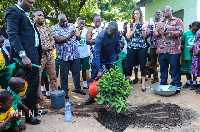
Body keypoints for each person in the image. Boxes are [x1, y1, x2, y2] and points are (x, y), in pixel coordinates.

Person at [5, 0, 42, 124]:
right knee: (31, 84)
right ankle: (28, 116)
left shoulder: (24, 14)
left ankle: (33, 110)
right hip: (25, 57)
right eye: (30, 2)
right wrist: (23, 55)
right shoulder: (13, 11)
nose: (32, 5)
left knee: (34, 84)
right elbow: (12, 34)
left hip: (33, 54)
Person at [84, 21, 120, 105]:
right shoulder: (100, 37)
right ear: (107, 29)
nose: (113, 35)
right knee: (94, 77)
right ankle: (91, 97)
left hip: (110, 57)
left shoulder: (117, 33)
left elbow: (117, 43)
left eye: (115, 33)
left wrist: (117, 53)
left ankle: (112, 97)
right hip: (99, 58)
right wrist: (99, 70)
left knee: (113, 76)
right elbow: (96, 54)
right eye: (112, 32)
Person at [51, 13, 86, 99]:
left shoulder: (71, 25)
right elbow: (58, 40)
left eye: (65, 21)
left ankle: (78, 88)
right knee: (64, 74)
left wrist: (78, 36)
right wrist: (70, 35)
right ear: (58, 21)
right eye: (62, 22)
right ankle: (65, 91)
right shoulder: (54, 28)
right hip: (63, 55)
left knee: (77, 72)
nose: (64, 23)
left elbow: (78, 38)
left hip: (74, 54)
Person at [32, 9, 58, 105]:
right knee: (38, 79)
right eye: (39, 15)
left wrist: (50, 46)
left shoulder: (47, 27)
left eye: (43, 15)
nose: (42, 17)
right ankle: (40, 100)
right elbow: (31, 44)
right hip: (39, 58)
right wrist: (41, 48)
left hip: (50, 56)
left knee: (53, 77)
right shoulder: (32, 28)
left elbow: (52, 40)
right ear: (34, 17)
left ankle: (55, 97)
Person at [154, 6, 184, 87]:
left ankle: (176, 84)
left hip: (174, 50)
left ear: (172, 11)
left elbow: (180, 32)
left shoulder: (178, 21)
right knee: (163, 69)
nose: (165, 12)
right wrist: (160, 32)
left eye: (167, 10)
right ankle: (163, 84)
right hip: (162, 50)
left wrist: (168, 31)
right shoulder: (160, 22)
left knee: (175, 69)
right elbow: (155, 34)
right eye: (164, 11)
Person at [126, 7, 148, 92]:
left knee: (143, 66)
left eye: (137, 13)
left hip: (142, 47)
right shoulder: (129, 24)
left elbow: (144, 36)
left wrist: (143, 29)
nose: (136, 15)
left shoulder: (143, 23)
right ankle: (127, 84)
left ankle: (143, 84)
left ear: (140, 14)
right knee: (129, 66)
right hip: (132, 47)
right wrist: (134, 29)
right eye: (134, 13)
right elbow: (128, 36)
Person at [181, 21, 200, 90]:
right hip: (186, 54)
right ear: (191, 27)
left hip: (195, 56)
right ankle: (189, 81)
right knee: (187, 70)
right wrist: (182, 46)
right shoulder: (186, 34)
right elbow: (182, 42)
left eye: (196, 30)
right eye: (193, 29)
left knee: (194, 69)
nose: (194, 31)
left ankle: (194, 82)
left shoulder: (198, 34)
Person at [146, 10, 162, 84]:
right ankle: (156, 77)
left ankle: (164, 78)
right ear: (154, 14)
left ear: (161, 15)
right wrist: (152, 29)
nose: (158, 14)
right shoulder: (151, 23)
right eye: (156, 13)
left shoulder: (163, 22)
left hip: (162, 45)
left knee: (163, 62)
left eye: (159, 13)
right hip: (153, 45)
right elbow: (147, 34)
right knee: (153, 62)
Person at [77, 18, 90, 89]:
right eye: (80, 23)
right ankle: (77, 85)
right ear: (77, 23)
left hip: (85, 54)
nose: (82, 25)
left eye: (83, 24)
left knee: (84, 70)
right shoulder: (75, 31)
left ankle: (85, 84)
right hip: (77, 55)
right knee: (77, 71)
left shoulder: (86, 31)